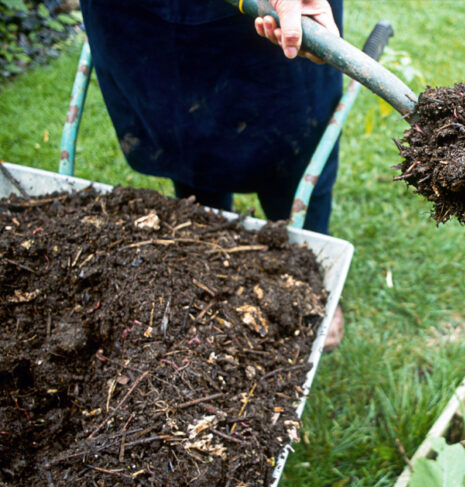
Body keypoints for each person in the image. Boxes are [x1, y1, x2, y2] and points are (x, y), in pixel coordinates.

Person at [79, 0, 345, 349]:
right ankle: (210, 272)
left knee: (298, 154)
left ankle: (311, 280)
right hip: (146, 21)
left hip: (268, 29)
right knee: (186, 144)